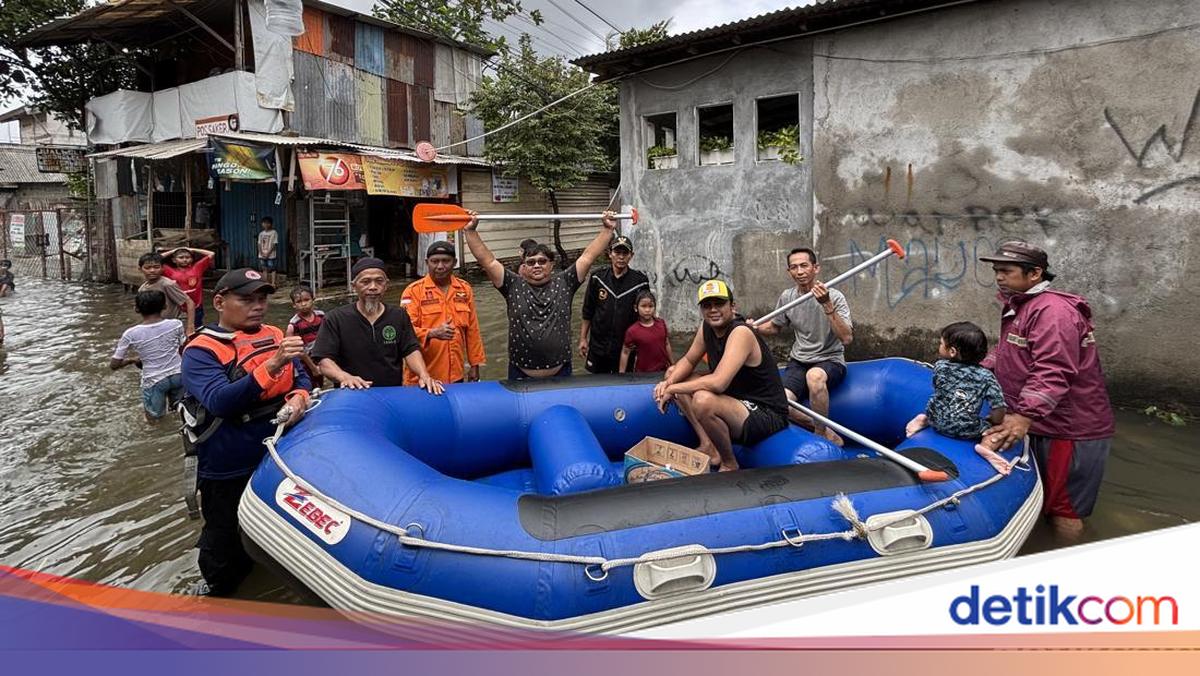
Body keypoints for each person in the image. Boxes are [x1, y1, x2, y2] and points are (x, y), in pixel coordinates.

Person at [178, 268, 311, 596]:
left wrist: (299, 398)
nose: (258, 306)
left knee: (278, 528)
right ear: (220, 302)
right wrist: (273, 364)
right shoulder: (201, 350)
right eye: (247, 299)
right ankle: (220, 594)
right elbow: (220, 401)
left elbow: (302, 378)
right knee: (224, 538)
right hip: (228, 462)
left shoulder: (275, 334)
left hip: (276, 452)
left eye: (262, 298)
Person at [977, 241, 1114, 539]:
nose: (999, 277)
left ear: (1035, 273)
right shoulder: (1021, 306)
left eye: (1006, 271)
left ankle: (1065, 565)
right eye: (996, 271)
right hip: (1041, 421)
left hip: (1068, 428)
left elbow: (1053, 370)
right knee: (1041, 499)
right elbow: (1006, 351)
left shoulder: (1053, 312)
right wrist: (976, 371)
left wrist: (1024, 415)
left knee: (1063, 508)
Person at [464, 210, 618, 380]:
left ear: (551, 265)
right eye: (531, 262)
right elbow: (488, 261)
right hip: (520, 374)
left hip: (561, 372)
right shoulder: (512, 285)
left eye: (542, 261)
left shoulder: (565, 282)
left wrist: (607, 230)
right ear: (524, 266)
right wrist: (470, 231)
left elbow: (588, 256)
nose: (537, 265)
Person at [653, 280, 790, 472]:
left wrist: (671, 388)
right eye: (707, 305)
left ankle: (729, 463)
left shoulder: (740, 332)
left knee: (703, 400)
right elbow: (690, 360)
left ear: (732, 307)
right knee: (673, 373)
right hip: (735, 400)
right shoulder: (707, 327)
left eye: (719, 304)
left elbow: (718, 383)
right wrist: (668, 381)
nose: (713, 310)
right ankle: (708, 444)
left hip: (764, 411)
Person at [752, 247, 852, 446]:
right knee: (780, 403)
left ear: (816, 268)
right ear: (789, 272)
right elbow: (774, 326)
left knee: (814, 377)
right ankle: (822, 427)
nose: (799, 271)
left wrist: (827, 305)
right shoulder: (788, 297)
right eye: (794, 267)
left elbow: (847, 338)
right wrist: (753, 328)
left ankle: (821, 433)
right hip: (799, 361)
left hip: (829, 360)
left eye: (804, 266)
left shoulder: (835, 296)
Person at [310, 257, 443, 394]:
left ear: (386, 285)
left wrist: (424, 375)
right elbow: (324, 360)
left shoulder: (398, 315)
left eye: (379, 281)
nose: (373, 287)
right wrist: (344, 377)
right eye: (365, 282)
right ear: (353, 285)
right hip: (351, 393)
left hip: (392, 393)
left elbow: (410, 350)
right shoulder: (335, 318)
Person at [905, 322, 1009, 473]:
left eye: (941, 344)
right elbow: (999, 405)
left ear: (952, 352)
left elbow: (939, 390)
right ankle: (986, 447)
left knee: (941, 402)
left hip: (936, 421)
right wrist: (995, 421)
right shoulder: (987, 377)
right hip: (964, 429)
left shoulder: (940, 367)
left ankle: (926, 419)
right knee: (1000, 429)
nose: (938, 346)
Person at [400, 241, 485, 385]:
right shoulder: (413, 291)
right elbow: (404, 331)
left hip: (455, 374)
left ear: (455, 262)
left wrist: (474, 364)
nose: (440, 266)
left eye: (445, 261)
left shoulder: (464, 289)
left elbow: (472, 331)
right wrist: (432, 333)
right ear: (427, 262)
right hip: (422, 376)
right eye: (435, 261)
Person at [110, 290, 186, 422]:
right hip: (179, 375)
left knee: (154, 420)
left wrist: (131, 360)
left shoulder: (131, 334)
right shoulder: (176, 324)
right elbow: (183, 347)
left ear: (136, 309)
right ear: (165, 306)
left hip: (154, 379)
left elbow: (114, 365)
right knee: (180, 413)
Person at [580, 235, 650, 374]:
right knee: (597, 384)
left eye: (625, 253)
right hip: (598, 345)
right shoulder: (597, 278)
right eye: (617, 252)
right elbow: (588, 310)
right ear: (610, 254)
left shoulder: (640, 281)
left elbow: (645, 315)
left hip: (626, 347)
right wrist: (583, 338)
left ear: (631, 255)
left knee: (624, 384)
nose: (621, 257)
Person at [138, 252, 195, 335]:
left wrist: (190, 326)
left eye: (156, 267)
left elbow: (189, 303)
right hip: (155, 327)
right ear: (140, 269)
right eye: (147, 268)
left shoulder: (167, 284)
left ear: (162, 268)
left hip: (170, 326)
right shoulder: (142, 289)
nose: (152, 270)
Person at [620, 289, 673, 373]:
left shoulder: (661, 324)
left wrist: (673, 364)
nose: (647, 310)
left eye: (650, 306)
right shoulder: (632, 331)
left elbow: (666, 343)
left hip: (663, 371)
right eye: (643, 306)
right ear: (636, 308)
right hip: (642, 374)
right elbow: (625, 352)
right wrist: (621, 374)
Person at [161, 246, 216, 327]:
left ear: (192, 259)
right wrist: (173, 251)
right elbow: (157, 259)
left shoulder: (197, 268)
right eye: (181, 257)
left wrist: (192, 249)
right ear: (174, 260)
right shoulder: (169, 271)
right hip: (178, 306)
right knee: (178, 327)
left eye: (188, 257)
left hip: (196, 305)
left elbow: (211, 254)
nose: (185, 259)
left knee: (197, 327)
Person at [285, 286, 325, 390]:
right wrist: (313, 368)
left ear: (313, 299)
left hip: (320, 356)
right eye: (299, 301)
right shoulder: (294, 325)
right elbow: (297, 351)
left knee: (320, 384)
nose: (303, 304)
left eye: (306, 300)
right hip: (305, 362)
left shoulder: (321, 316)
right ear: (294, 305)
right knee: (309, 386)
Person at [257, 216, 278, 288]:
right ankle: (265, 283)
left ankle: (273, 283)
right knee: (264, 269)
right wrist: (261, 253)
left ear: (271, 224)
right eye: (264, 223)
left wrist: (268, 253)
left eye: (267, 223)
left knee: (272, 269)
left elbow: (274, 244)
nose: (265, 225)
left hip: (271, 255)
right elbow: (259, 244)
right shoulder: (261, 233)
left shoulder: (274, 232)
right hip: (262, 255)